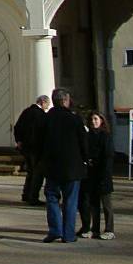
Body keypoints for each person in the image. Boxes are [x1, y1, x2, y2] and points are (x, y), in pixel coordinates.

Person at [40, 88, 88, 243]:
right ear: (66, 101)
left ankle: (55, 230)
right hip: (73, 167)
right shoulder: (74, 119)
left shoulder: (46, 119)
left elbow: (38, 142)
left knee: (52, 198)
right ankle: (68, 234)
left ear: (54, 101)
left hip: (52, 166)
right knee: (70, 201)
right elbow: (83, 142)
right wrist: (86, 158)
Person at [78, 111, 115, 240]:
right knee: (93, 205)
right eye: (92, 119)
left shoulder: (105, 136)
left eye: (96, 119)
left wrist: (106, 174)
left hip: (103, 174)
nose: (94, 122)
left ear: (101, 120)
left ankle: (109, 229)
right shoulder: (88, 136)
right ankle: (94, 229)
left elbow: (108, 156)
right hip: (91, 174)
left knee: (106, 205)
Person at [13, 94, 51, 206]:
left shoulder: (26, 112)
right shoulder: (41, 115)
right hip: (36, 148)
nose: (47, 107)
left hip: (26, 147)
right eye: (47, 105)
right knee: (37, 173)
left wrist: (19, 140)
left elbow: (17, 127)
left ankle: (26, 194)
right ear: (43, 102)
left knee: (30, 172)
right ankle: (33, 197)